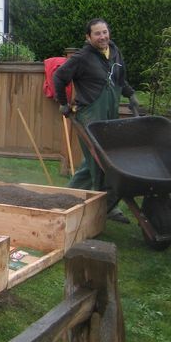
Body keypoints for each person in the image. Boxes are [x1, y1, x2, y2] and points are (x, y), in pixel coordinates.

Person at [53, 18, 140, 223]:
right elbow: (59, 76)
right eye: (97, 34)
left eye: (105, 32)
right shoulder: (82, 58)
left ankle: (66, 197)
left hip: (109, 115)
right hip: (90, 116)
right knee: (101, 162)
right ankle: (106, 206)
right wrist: (63, 103)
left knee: (94, 162)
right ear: (88, 37)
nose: (102, 37)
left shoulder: (114, 52)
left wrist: (131, 94)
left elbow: (119, 78)